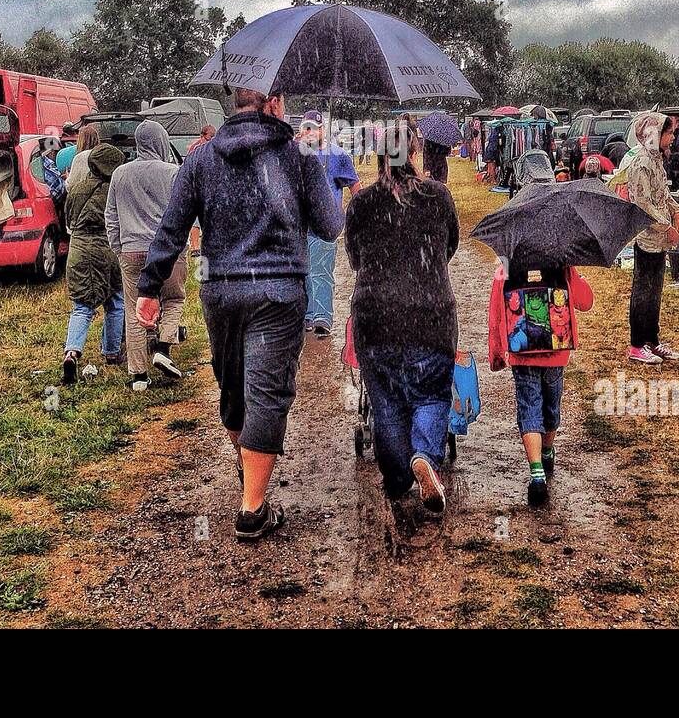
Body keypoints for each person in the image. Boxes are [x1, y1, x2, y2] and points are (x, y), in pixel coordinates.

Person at [136, 87, 343, 542]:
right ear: (274, 103)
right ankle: (251, 509)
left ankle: (248, 468)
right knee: (267, 392)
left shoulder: (201, 159)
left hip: (222, 290)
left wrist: (149, 286)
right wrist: (316, 171)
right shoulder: (299, 156)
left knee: (232, 386)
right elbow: (331, 226)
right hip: (278, 291)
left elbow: (171, 227)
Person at [344, 123, 458, 537]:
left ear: (377, 155)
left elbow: (355, 259)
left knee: (387, 400)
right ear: (414, 153)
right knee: (430, 394)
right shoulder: (438, 196)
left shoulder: (361, 205)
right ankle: (424, 455)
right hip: (432, 316)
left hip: (377, 319)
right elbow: (449, 248)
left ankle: (396, 479)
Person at [106, 120, 185, 392]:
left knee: (134, 309)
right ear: (162, 141)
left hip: (130, 250)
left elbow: (111, 216)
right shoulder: (173, 172)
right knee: (173, 298)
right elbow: (182, 213)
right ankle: (163, 346)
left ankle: (138, 375)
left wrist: (119, 247)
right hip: (167, 251)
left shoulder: (120, 174)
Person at [508, 268, 593, 507]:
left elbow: (496, 304)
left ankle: (537, 475)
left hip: (522, 350)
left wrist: (496, 351)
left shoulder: (509, 260)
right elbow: (586, 301)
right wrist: (574, 273)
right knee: (551, 406)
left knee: (529, 409)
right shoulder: (561, 261)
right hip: (556, 350)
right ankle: (546, 453)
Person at [61, 142, 126, 385]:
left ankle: (72, 352)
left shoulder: (77, 189)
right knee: (115, 300)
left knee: (82, 306)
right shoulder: (116, 190)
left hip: (79, 248)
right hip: (108, 248)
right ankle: (111, 352)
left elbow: (67, 221)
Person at [626, 112, 679, 365]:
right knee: (643, 290)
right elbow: (642, 204)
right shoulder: (641, 163)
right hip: (647, 238)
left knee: (655, 290)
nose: (672, 138)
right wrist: (667, 227)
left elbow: (662, 194)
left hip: (659, 238)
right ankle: (637, 344)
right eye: (668, 133)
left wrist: (677, 212)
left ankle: (652, 340)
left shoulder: (656, 160)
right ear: (653, 134)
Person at [298, 110, 360, 339]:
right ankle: (307, 314)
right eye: (306, 128)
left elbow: (355, 187)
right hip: (300, 224)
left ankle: (322, 318)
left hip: (325, 225)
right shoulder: (296, 155)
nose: (310, 132)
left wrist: (362, 213)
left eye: (314, 127)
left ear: (323, 129)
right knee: (303, 272)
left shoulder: (338, 155)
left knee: (321, 271)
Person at [64, 124, 101, 190]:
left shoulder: (79, 157)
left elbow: (70, 186)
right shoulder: (102, 154)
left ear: (80, 140)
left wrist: (67, 177)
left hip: (85, 197)